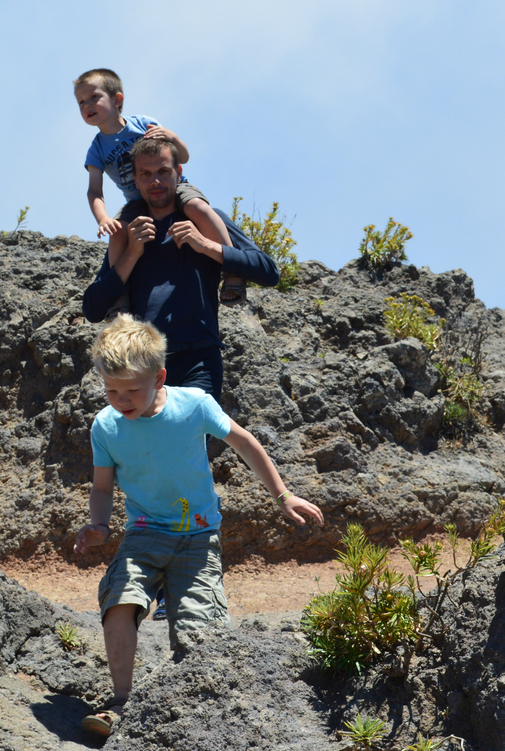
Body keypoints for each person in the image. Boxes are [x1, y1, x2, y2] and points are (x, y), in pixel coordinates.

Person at [74, 314, 324, 737]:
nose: (121, 399)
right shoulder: (106, 425)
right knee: (119, 598)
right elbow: (102, 485)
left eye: (132, 389)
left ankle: (190, 711)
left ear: (160, 376)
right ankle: (120, 700)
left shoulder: (193, 404)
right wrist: (99, 523)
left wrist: (284, 496)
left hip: (198, 537)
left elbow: (246, 442)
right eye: (111, 390)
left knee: (201, 637)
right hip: (144, 533)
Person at [82, 136, 280, 403]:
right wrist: (132, 253)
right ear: (136, 180)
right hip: (143, 362)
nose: (155, 181)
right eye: (146, 174)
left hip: (199, 360)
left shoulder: (207, 219)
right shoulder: (130, 231)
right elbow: (92, 308)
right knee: (149, 446)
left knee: (194, 443)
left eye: (163, 172)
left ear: (179, 173)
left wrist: (206, 246)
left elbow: (269, 272)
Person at [74, 68, 247, 308]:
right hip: (138, 201)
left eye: (94, 97)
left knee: (199, 206)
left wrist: (173, 138)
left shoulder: (143, 124)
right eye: (81, 102)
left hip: (173, 188)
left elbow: (183, 158)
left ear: (117, 100)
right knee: (117, 232)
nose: (87, 105)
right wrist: (103, 218)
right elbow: (94, 191)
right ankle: (119, 293)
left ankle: (233, 268)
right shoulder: (96, 150)